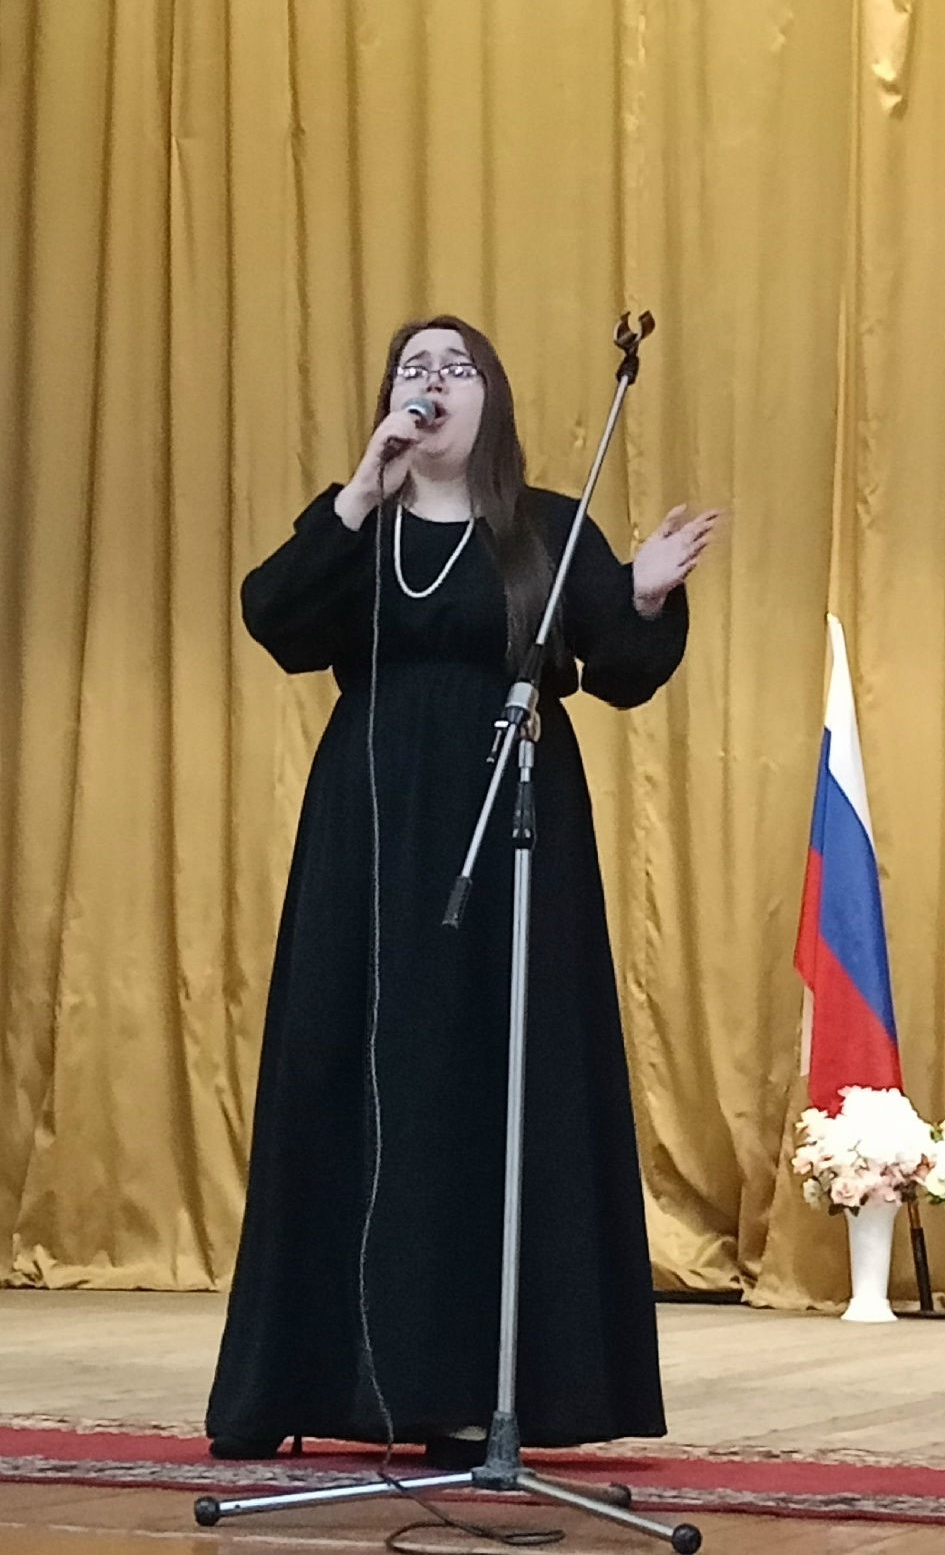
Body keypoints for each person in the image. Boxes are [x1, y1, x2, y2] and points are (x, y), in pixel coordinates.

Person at [206, 316, 718, 1464]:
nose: (432, 383)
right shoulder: (362, 522)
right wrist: (358, 488)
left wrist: (638, 599)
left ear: (491, 397)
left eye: (456, 368)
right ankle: (313, 1375)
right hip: (370, 831)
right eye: (412, 368)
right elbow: (275, 617)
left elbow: (620, 670)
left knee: (496, 1085)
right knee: (345, 1071)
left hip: (516, 827)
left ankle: (483, 1387)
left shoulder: (544, 524)